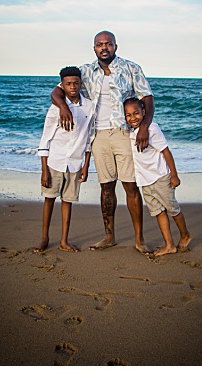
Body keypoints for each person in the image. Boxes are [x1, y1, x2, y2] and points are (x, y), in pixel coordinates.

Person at [51, 30, 153, 253]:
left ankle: (139, 239)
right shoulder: (85, 71)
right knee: (106, 187)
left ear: (115, 46)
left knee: (131, 186)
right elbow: (57, 91)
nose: (104, 47)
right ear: (94, 48)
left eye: (108, 44)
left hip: (123, 133)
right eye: (99, 44)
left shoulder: (131, 68)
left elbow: (147, 98)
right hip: (98, 136)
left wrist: (144, 127)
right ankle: (109, 237)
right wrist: (63, 107)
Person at [35, 66, 95, 253]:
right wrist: (44, 170)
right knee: (49, 199)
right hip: (55, 161)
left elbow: (88, 138)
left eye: (76, 83)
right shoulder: (56, 108)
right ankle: (44, 238)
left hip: (75, 163)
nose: (72, 87)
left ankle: (63, 241)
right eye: (68, 84)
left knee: (68, 201)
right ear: (62, 85)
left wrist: (86, 166)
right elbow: (45, 139)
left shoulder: (88, 107)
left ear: (81, 83)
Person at [123, 98, 191, 257]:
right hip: (145, 181)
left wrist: (174, 175)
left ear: (144, 112)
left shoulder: (152, 129)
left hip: (160, 177)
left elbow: (166, 151)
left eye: (136, 113)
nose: (133, 118)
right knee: (158, 212)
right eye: (128, 115)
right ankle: (169, 245)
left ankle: (185, 235)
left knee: (172, 209)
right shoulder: (130, 132)